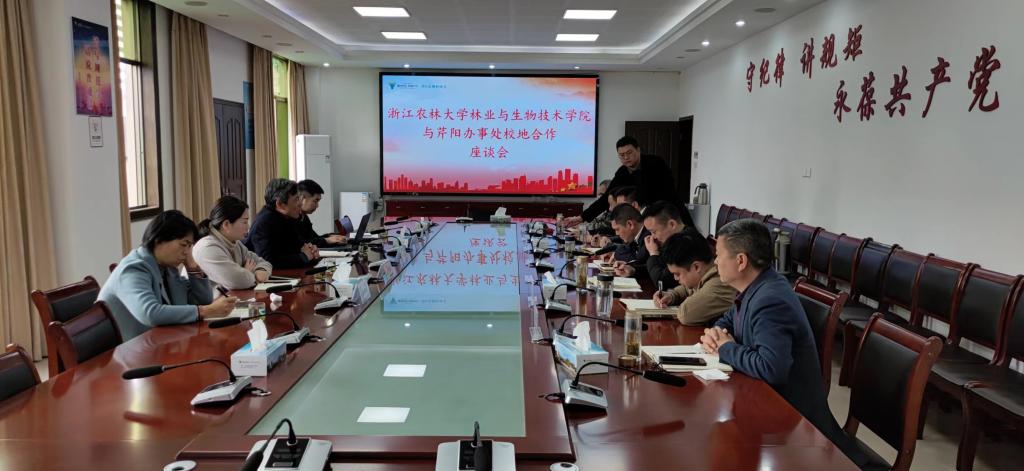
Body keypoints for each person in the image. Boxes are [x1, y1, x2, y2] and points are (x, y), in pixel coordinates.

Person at [700, 219, 878, 470]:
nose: (715, 261)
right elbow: (728, 319)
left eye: (719, 255)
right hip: (769, 407)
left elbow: (771, 367)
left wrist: (725, 348)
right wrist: (716, 334)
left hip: (793, 425)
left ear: (741, 261)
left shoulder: (770, 299)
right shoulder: (754, 287)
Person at [99, 210, 236, 340]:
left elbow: (203, 300)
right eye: (184, 244)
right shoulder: (133, 269)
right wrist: (205, 311)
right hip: (127, 350)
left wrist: (192, 265)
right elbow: (150, 313)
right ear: (159, 240)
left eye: (190, 246)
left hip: (157, 340)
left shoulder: (167, 268)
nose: (187, 252)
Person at [580, 136, 678, 222]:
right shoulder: (622, 172)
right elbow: (606, 197)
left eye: (629, 153)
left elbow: (667, 191)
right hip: (641, 217)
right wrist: (583, 217)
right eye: (622, 155)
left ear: (638, 150)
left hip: (667, 213)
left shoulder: (656, 163)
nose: (626, 157)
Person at [653, 231, 735, 326]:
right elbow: (687, 289)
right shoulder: (706, 276)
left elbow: (686, 315)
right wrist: (672, 295)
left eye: (677, 274)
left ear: (696, 267)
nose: (675, 278)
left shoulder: (720, 282)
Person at [193, 195, 273, 290]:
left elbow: (263, 262)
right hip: (213, 299)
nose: (248, 227)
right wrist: (247, 272)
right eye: (244, 222)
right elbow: (237, 281)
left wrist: (261, 270)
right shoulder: (207, 248)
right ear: (226, 224)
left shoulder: (235, 243)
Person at [245, 179, 320, 268]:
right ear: (280, 204)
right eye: (296, 199)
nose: (300, 204)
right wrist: (304, 257)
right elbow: (267, 261)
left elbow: (298, 247)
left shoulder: (289, 217)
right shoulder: (264, 223)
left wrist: (311, 251)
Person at [641, 201, 694, 290]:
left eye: (654, 232)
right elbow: (660, 267)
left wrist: (653, 253)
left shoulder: (687, 242)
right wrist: (633, 270)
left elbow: (661, 282)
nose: (653, 237)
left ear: (672, 224)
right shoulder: (675, 239)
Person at [296, 179, 347, 247]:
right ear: (302, 199)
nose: (317, 206)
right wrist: (327, 240)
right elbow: (300, 243)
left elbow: (314, 238)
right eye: (315, 201)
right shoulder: (291, 219)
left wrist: (331, 236)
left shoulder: (304, 218)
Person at [609, 204, 651, 278]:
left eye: (617, 229)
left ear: (630, 224)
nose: (616, 234)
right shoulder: (635, 237)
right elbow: (623, 251)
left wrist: (631, 266)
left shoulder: (649, 236)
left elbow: (639, 260)